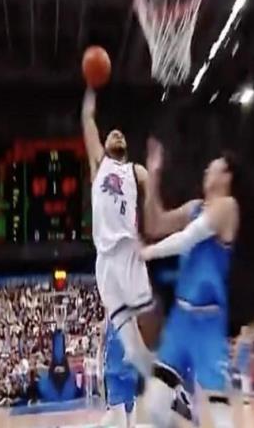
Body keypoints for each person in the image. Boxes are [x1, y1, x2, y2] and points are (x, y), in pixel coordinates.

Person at [141, 138, 241, 428]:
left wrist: (147, 253)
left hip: (209, 322)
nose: (207, 172)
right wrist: (153, 177)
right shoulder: (195, 207)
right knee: (154, 406)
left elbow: (187, 239)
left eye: (214, 168)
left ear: (227, 177)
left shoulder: (227, 207)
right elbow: (155, 224)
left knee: (220, 415)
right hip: (181, 320)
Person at [82, 88, 153, 378]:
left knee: (149, 326)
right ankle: (161, 384)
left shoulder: (137, 171)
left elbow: (155, 206)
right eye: (112, 134)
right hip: (104, 261)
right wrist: (91, 87)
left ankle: (171, 374)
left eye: (121, 134)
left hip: (128, 252)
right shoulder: (99, 164)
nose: (117, 135)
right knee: (132, 348)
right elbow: (87, 119)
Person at [98, 315, 138, 428]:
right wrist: (99, 371)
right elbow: (101, 348)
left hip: (130, 374)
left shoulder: (132, 320)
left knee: (131, 418)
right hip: (113, 374)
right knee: (120, 419)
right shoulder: (106, 324)